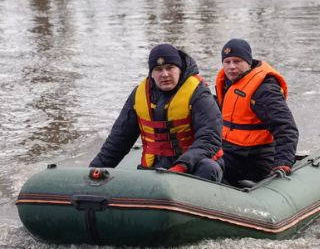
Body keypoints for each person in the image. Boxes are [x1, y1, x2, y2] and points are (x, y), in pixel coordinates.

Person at [90, 44, 224, 182]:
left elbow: (209, 138)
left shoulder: (199, 93)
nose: (165, 74)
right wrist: (93, 170)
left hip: (193, 164)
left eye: (170, 68)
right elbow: (119, 140)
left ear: (179, 69)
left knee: (209, 168)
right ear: (152, 74)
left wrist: (182, 166)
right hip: (157, 166)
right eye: (158, 69)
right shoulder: (139, 94)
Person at [215, 38, 299, 186]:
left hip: (257, 156)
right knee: (204, 167)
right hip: (230, 152)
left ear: (248, 62)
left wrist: (283, 163)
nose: (231, 67)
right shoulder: (227, 83)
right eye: (227, 62)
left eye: (237, 61)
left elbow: (286, 129)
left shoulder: (264, 91)